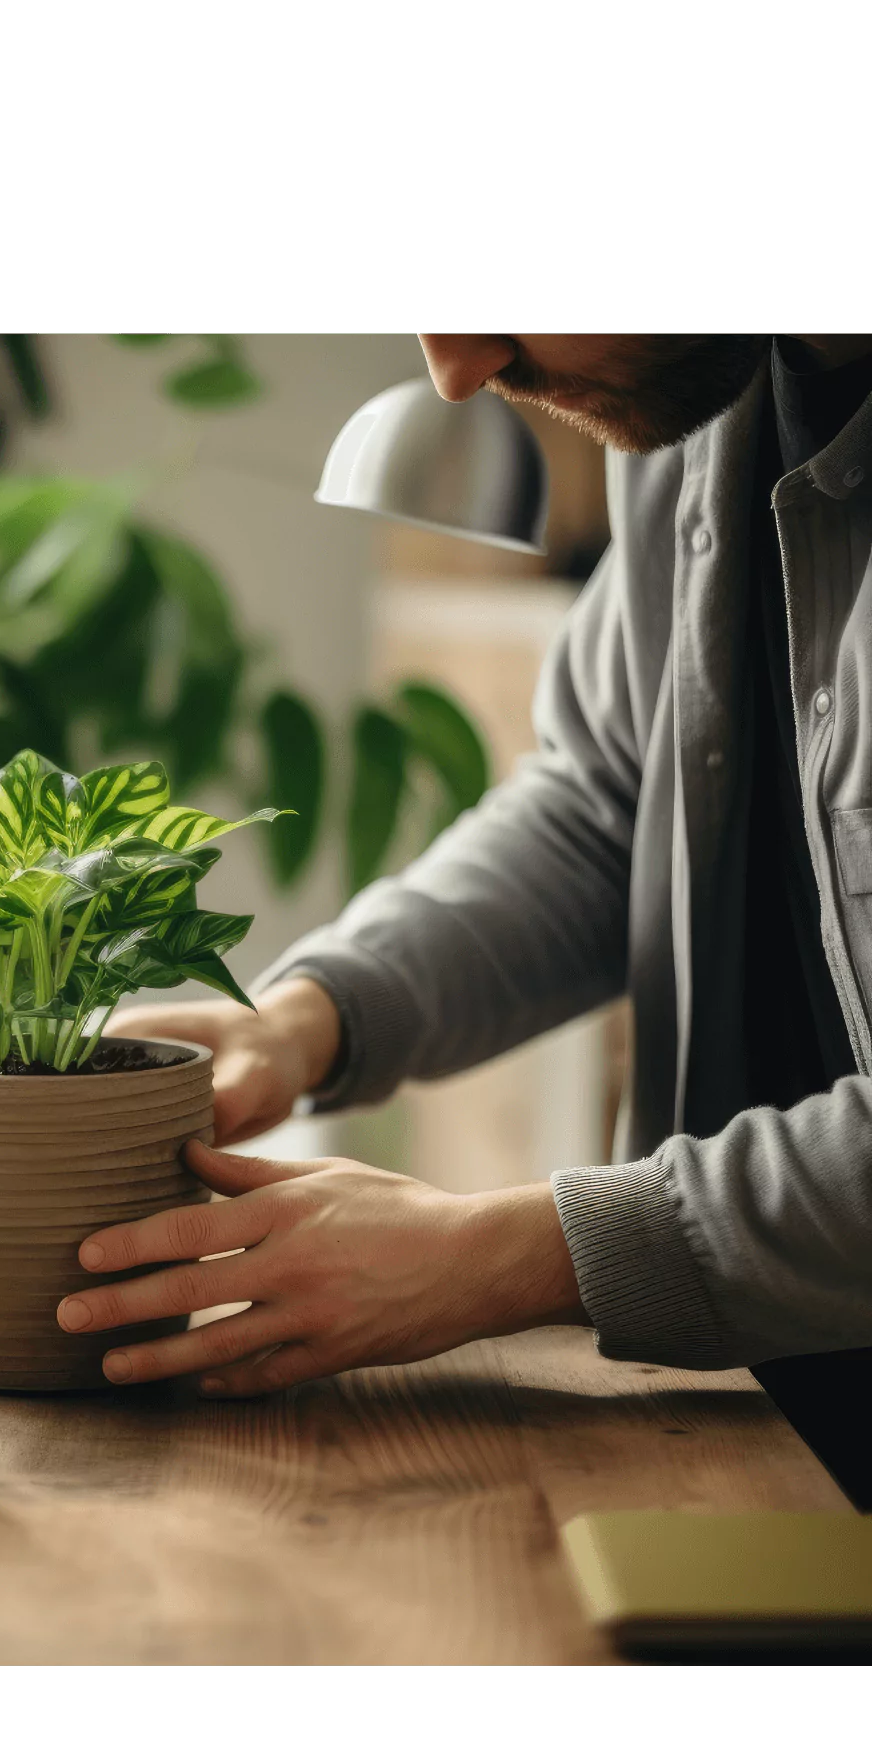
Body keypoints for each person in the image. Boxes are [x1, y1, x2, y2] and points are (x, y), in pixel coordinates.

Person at [64, 330, 872, 1502]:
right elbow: (607, 802)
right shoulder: (694, 402)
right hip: (770, 1439)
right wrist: (308, 1017)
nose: (453, 367)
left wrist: (503, 1254)